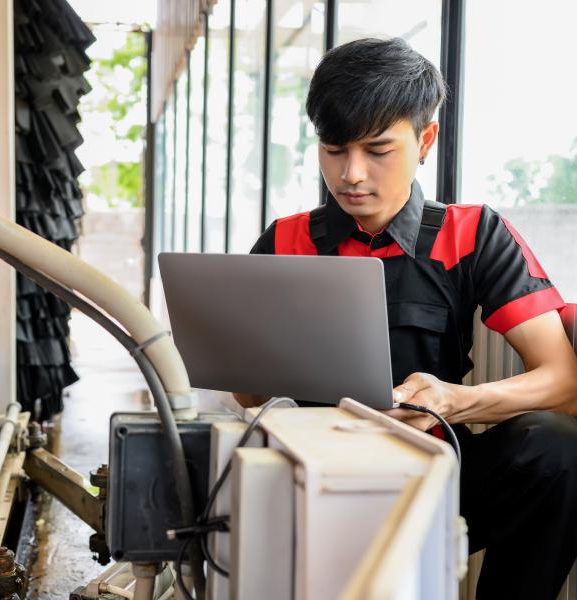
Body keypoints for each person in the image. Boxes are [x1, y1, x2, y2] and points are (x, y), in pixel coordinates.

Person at [239, 38, 577, 599]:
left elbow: (564, 381)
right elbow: (248, 398)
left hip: (439, 477)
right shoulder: (284, 241)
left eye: (377, 150)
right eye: (333, 149)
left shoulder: (472, 234)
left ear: (425, 140)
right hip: (311, 478)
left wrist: (452, 399)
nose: (351, 174)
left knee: (558, 449)